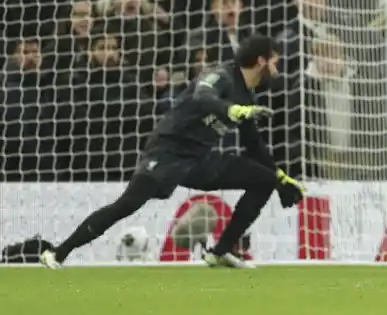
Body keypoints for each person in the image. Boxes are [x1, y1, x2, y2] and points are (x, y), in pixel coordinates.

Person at [40, 34, 305, 269]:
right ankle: (59, 251)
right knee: (128, 204)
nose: (277, 70)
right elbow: (203, 97)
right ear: (261, 61)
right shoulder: (221, 76)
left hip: (201, 160)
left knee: (264, 180)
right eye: (275, 62)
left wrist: (280, 176)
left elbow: (254, 146)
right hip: (168, 152)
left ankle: (221, 251)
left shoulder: (248, 98)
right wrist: (231, 110)